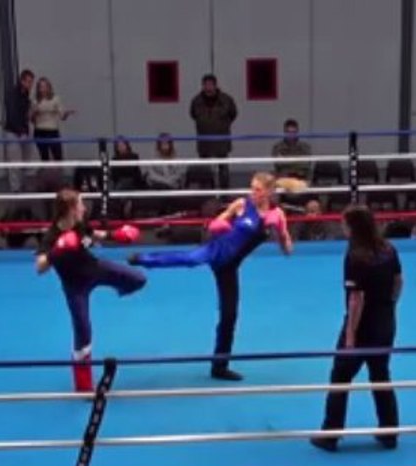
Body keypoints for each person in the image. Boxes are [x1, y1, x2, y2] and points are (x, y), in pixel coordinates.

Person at [129, 172, 300, 381]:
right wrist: (221, 226)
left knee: (229, 316)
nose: (252, 193)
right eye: (252, 188)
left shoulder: (277, 215)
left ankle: (219, 366)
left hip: (229, 267)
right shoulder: (241, 205)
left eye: (257, 189)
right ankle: (144, 259)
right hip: (216, 250)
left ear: (269, 192)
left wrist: (280, 236)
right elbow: (215, 224)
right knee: (189, 259)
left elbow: (287, 249)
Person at [311, 206, 402, 452]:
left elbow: (356, 298)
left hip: (363, 326)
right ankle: (389, 433)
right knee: (380, 375)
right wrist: (389, 306)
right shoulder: (388, 249)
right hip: (385, 322)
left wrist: (351, 334)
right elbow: (398, 281)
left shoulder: (355, 256)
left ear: (353, 227)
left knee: (340, 377)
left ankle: (331, 434)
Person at [36, 187, 146, 392]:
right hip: (75, 286)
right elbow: (39, 267)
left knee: (138, 278)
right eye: (80, 204)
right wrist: (56, 251)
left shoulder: (79, 225)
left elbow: (94, 235)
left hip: (95, 269)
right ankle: (83, 385)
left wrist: (117, 234)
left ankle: (120, 289)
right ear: (70, 209)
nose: (84, 208)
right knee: (83, 332)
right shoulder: (52, 236)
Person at [189, 74, 238, 189]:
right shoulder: (196, 101)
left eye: (210, 85)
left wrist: (222, 125)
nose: (208, 87)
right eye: (206, 85)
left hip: (221, 139)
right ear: (203, 86)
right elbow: (193, 114)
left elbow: (233, 114)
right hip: (204, 140)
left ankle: (224, 193)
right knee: (204, 168)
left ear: (215, 85)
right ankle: (205, 192)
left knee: (223, 168)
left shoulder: (226, 100)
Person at [3, 70, 35, 192]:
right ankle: (15, 189)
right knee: (14, 162)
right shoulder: (12, 94)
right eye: (28, 82)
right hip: (13, 132)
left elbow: (24, 115)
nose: (30, 85)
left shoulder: (25, 94)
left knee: (26, 161)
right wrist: (20, 132)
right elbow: (12, 115)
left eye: (31, 82)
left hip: (24, 132)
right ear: (22, 81)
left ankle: (23, 185)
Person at [32, 76, 73, 162]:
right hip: (40, 131)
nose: (42, 89)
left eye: (44, 86)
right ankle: (45, 170)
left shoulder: (55, 99)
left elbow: (62, 116)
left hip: (52, 131)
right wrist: (34, 113)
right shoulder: (35, 101)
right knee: (44, 158)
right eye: (40, 87)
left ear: (48, 87)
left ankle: (59, 170)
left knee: (58, 156)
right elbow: (32, 120)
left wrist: (67, 113)